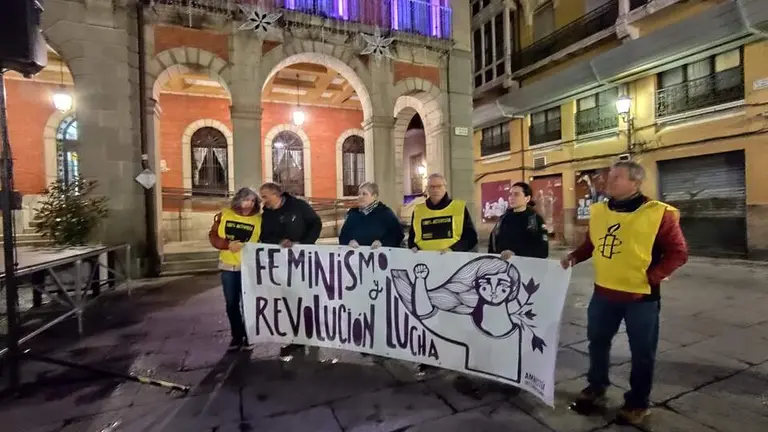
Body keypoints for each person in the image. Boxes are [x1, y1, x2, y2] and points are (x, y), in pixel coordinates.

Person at [561, 161, 688, 426]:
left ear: (635, 182)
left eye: (616, 178)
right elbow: (592, 244)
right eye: (609, 177)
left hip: (640, 298)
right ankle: (596, 386)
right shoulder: (599, 211)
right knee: (597, 342)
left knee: (642, 351)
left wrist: (653, 276)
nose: (608, 182)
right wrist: (574, 257)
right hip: (603, 293)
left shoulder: (658, 214)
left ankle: (637, 402)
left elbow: (678, 252)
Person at [408, 173, 478, 376]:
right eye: (432, 186)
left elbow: (471, 236)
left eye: (439, 186)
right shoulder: (419, 210)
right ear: (427, 189)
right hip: (426, 271)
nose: (436, 189)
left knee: (451, 313)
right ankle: (429, 356)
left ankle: (453, 354)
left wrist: (454, 250)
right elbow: (413, 236)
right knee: (426, 314)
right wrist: (412, 246)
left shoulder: (458, 207)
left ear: (445, 188)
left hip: (451, 270)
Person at [258, 182, 323, 360]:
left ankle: (313, 333)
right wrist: (279, 242)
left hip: (303, 259)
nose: (262, 200)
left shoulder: (299, 206)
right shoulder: (267, 215)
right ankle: (298, 337)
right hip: (282, 263)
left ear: (276, 194)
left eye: (265, 196)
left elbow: (315, 223)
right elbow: (265, 236)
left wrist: (305, 244)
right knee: (291, 300)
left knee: (307, 297)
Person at [208, 187, 262, 352]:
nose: (249, 204)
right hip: (228, 266)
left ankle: (249, 335)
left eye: (253, 201)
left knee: (248, 303)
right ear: (238, 200)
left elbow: (263, 240)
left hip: (249, 267)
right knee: (232, 303)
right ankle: (236, 336)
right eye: (246, 200)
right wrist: (226, 245)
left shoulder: (259, 219)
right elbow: (213, 235)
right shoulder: (224, 215)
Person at [488, 181, 549, 260]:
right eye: (510, 194)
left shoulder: (534, 220)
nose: (511, 197)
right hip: (501, 266)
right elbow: (493, 242)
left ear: (527, 198)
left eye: (516, 194)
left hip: (525, 267)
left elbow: (542, 250)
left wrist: (516, 254)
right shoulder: (503, 218)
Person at [339, 182, 404, 249]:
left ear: (374, 196)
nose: (360, 197)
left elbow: (397, 234)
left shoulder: (385, 213)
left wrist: (383, 242)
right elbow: (343, 236)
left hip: (381, 257)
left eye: (364, 194)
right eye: (359, 194)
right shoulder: (353, 214)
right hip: (356, 257)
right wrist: (349, 241)